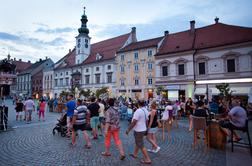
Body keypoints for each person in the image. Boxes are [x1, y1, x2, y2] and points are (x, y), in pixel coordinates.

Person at [126, 100, 151, 164]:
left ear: (138, 104)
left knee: (141, 145)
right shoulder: (146, 110)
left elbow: (134, 122)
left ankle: (148, 159)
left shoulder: (138, 111)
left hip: (139, 130)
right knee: (138, 142)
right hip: (143, 129)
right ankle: (135, 154)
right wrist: (147, 128)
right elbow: (147, 120)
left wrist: (128, 129)